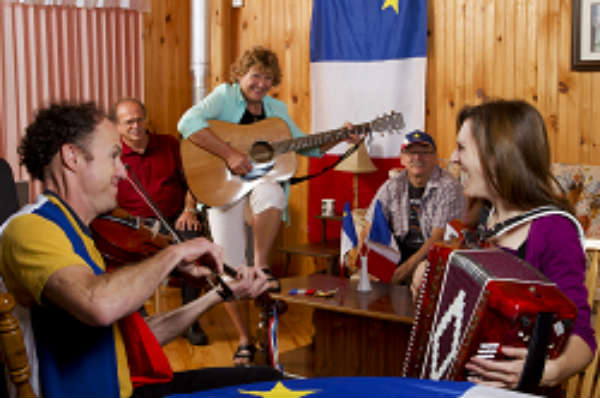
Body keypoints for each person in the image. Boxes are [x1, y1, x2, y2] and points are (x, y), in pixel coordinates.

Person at [0, 102, 281, 398]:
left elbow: (134, 339)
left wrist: (219, 294)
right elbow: (98, 304)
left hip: (124, 388)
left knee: (265, 378)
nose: (122, 171)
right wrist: (173, 253)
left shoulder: (80, 236)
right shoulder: (30, 229)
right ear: (72, 158)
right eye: (113, 156)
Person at [177, 45, 358, 365]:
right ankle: (245, 340)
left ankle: (261, 265)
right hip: (222, 188)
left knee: (273, 190)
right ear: (241, 75)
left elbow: (309, 147)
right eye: (255, 76)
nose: (261, 83)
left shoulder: (276, 108)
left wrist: (342, 137)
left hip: (257, 189)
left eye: (268, 78)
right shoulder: (224, 96)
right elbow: (188, 123)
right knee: (229, 269)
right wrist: (230, 154)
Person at [413, 99, 595, 390]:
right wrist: (427, 270)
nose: (453, 158)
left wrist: (550, 371)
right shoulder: (482, 216)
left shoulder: (553, 229)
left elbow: (583, 336)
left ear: (496, 156)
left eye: (461, 148)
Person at [110, 98, 207, 346]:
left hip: (175, 218)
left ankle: (191, 320)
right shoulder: (112, 155)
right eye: (128, 122)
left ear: (146, 119)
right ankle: (140, 320)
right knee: (124, 255)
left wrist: (189, 209)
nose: (136, 126)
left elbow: (194, 181)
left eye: (139, 119)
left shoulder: (169, 144)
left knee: (193, 245)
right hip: (134, 224)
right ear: (118, 127)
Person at [359, 130, 466, 284]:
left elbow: (438, 239)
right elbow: (369, 226)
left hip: (433, 256)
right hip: (398, 251)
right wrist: (367, 264)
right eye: (411, 152)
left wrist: (401, 273)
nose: (417, 157)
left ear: (435, 157)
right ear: (402, 158)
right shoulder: (392, 186)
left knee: (417, 277)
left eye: (425, 152)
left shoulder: (450, 188)